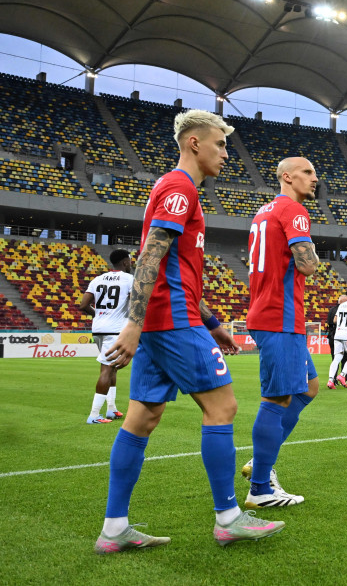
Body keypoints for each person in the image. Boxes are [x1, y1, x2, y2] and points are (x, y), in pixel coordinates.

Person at [96, 109, 282, 554]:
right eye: (220, 144)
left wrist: (214, 324)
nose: (225, 154)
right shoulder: (180, 187)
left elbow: (172, 266)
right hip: (171, 321)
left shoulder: (171, 189)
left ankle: (114, 528)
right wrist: (134, 324)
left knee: (142, 418)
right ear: (194, 143)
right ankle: (229, 518)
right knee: (223, 406)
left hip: (170, 320)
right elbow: (150, 258)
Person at [242, 156, 321, 509]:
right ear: (287, 177)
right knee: (277, 399)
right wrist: (315, 256)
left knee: (309, 387)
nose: (314, 179)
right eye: (307, 172)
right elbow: (307, 264)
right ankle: (260, 487)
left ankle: (261, 464)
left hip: (269, 310)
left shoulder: (264, 211)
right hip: (280, 315)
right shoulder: (294, 210)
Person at [79, 249, 134, 424]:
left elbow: (83, 305)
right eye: (130, 261)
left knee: (112, 368)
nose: (131, 264)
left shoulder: (98, 279)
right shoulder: (129, 279)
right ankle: (94, 415)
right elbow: (134, 305)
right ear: (125, 262)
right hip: (116, 330)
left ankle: (111, 409)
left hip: (98, 329)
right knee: (107, 370)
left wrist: (99, 315)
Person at [327, 292, 347, 389]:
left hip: (336, 335)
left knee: (336, 358)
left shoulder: (335, 308)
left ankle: (330, 380)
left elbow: (334, 321)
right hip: (346, 334)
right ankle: (342, 375)